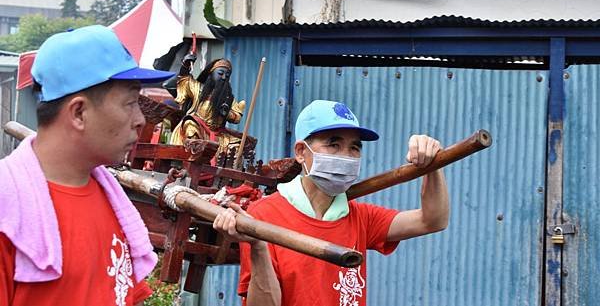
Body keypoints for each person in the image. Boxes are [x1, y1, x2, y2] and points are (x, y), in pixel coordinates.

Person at [0, 25, 174, 306]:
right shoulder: (10, 212)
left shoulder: (113, 201)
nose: (141, 120)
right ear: (79, 112)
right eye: (130, 103)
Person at [213, 100, 450, 306]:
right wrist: (258, 248)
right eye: (333, 145)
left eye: (354, 148)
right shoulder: (263, 216)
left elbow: (432, 220)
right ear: (300, 152)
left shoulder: (358, 216)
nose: (346, 156)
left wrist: (433, 167)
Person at [169, 56, 246, 147]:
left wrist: (226, 113)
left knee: (236, 145)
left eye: (227, 75)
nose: (224, 77)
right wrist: (185, 66)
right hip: (198, 126)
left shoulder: (228, 98)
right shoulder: (198, 89)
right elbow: (185, 80)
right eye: (220, 73)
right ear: (211, 73)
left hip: (218, 133)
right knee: (190, 126)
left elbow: (237, 117)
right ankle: (193, 150)